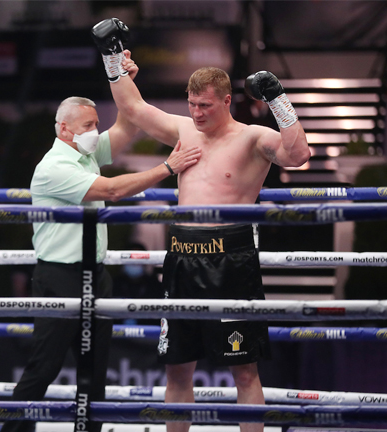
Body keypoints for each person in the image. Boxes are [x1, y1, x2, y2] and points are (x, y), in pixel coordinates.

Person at [91, 18, 310, 432]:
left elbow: (298, 155)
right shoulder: (183, 130)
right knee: (177, 370)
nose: (196, 113)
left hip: (232, 258)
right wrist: (111, 58)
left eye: (204, 106)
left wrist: (279, 102)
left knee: (244, 372)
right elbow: (134, 109)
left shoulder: (251, 138)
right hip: (183, 257)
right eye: (191, 104)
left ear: (227, 101)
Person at [0, 55, 202, 432]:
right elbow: (110, 190)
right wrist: (168, 168)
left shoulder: (86, 153)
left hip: (96, 275)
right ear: (64, 129)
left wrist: (122, 79)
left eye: (95, 123)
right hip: (59, 278)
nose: (96, 130)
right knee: (43, 367)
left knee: (94, 372)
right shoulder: (54, 167)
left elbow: (129, 126)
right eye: (89, 125)